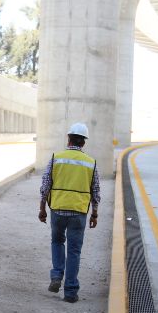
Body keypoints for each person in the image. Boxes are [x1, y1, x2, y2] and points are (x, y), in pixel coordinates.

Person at [38, 122, 100, 303]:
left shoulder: (56, 157)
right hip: (79, 212)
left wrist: (42, 207)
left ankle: (57, 275)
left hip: (57, 209)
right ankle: (71, 292)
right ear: (84, 143)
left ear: (68, 139)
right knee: (74, 251)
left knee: (57, 241)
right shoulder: (90, 163)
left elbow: (45, 186)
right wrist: (94, 213)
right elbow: (95, 191)